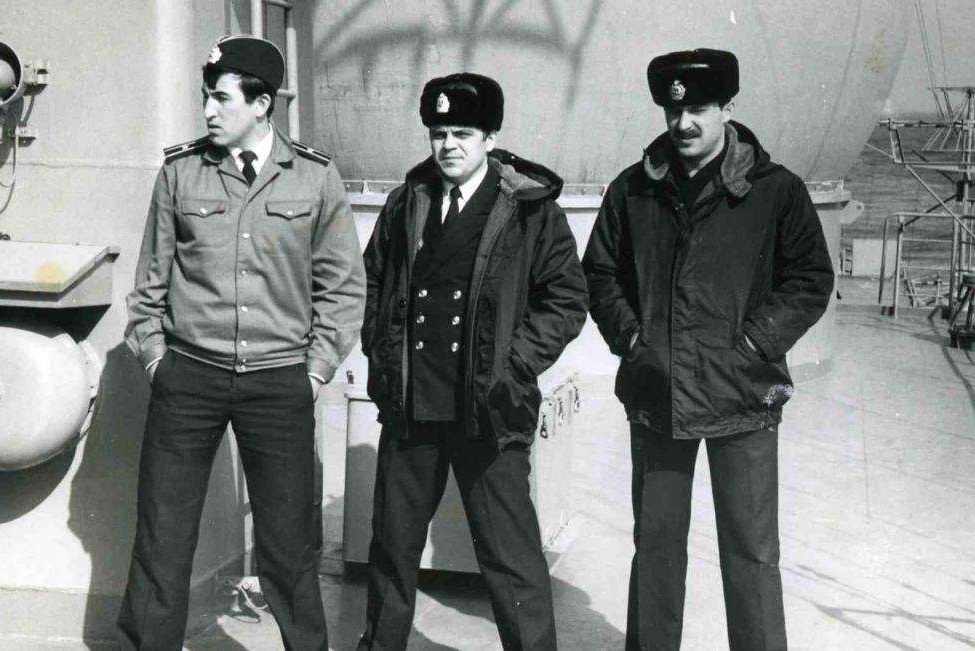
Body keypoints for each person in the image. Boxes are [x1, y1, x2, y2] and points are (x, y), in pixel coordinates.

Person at [582, 49, 834, 651]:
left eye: (698, 109)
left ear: (728, 108)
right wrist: (634, 340)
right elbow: (599, 273)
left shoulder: (776, 191)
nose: (684, 123)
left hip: (743, 393)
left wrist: (755, 343)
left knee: (751, 554)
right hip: (658, 393)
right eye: (673, 111)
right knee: (657, 549)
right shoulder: (633, 190)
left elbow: (810, 278)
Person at [119, 34, 365, 651]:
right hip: (188, 377)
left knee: (289, 545)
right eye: (205, 96)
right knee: (163, 535)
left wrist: (315, 371)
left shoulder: (315, 177)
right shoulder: (180, 172)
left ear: (261, 105)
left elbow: (342, 289)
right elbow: (149, 285)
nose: (207, 110)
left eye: (221, 98)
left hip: (279, 380)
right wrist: (157, 362)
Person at [357, 72, 588, 651]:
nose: (449, 145)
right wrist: (383, 357)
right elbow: (372, 282)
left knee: (510, 556)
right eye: (439, 133)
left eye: (463, 132)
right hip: (413, 406)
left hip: (489, 408)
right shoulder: (406, 203)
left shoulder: (530, 210)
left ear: (490, 137)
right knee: (392, 547)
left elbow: (566, 299)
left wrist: (515, 364)